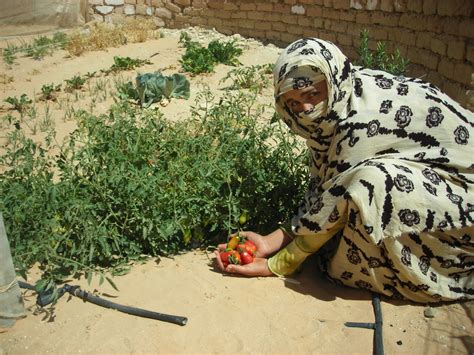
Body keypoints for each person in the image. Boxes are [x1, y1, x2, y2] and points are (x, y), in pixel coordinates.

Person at [215, 38, 474, 304]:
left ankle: (439, 273)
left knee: (371, 180)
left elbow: (338, 193)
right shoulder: (346, 93)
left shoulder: (361, 121)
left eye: (311, 95)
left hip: (464, 203)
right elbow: (327, 186)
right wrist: (271, 241)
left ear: (331, 81)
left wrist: (280, 263)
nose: (305, 110)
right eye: (292, 103)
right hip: (440, 182)